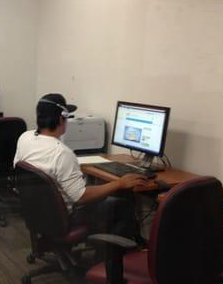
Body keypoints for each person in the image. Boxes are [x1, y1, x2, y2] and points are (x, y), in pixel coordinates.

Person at [14, 93, 148, 239]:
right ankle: (114, 257)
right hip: (65, 218)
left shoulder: (25, 137)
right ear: (61, 119)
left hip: (38, 214)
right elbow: (81, 197)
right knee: (122, 205)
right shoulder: (61, 153)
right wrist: (120, 183)